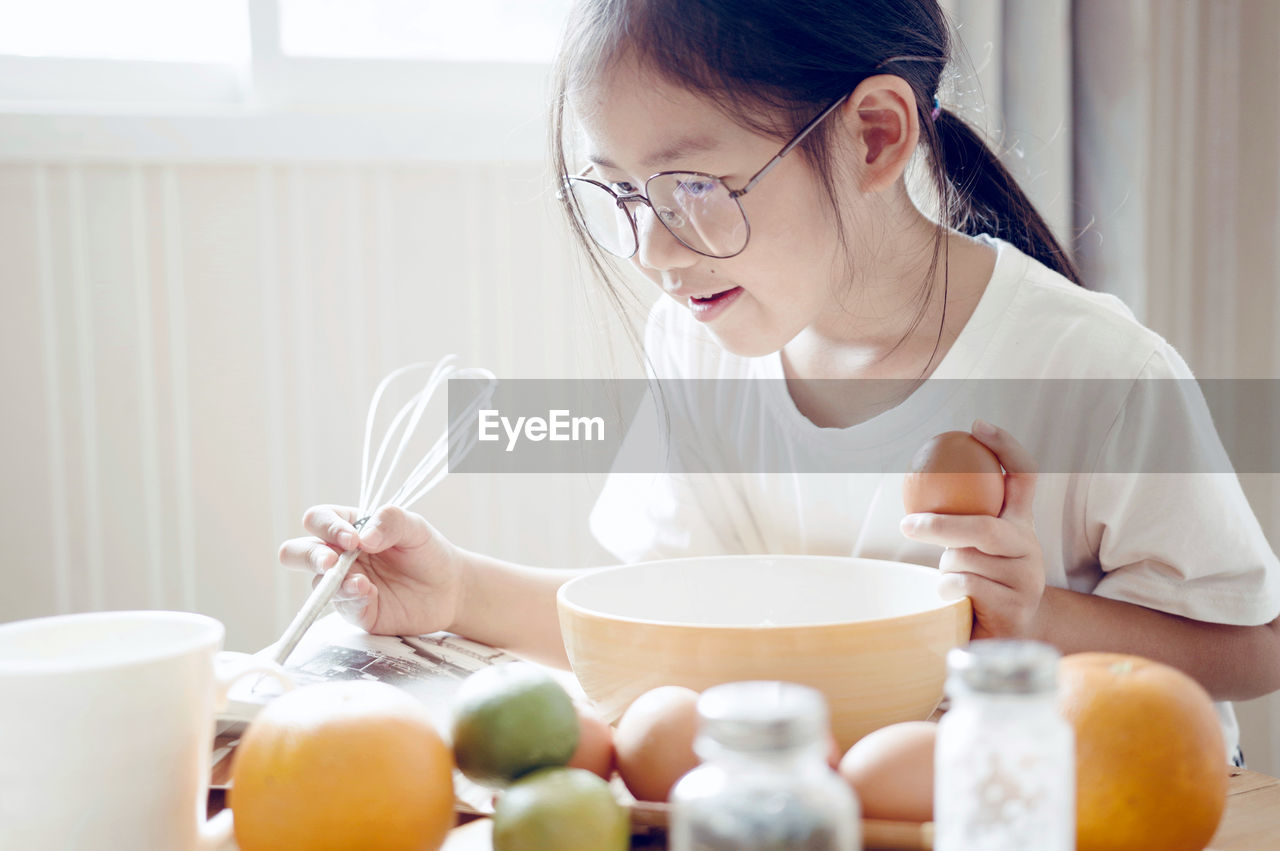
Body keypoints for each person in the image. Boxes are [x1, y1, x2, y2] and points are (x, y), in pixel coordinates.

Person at [278, 0, 1280, 761]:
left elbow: (1252, 650)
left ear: (875, 137)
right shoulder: (698, 344)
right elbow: (663, 622)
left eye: (696, 190)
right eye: (621, 194)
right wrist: (455, 587)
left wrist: (1037, 619)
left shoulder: (1091, 370)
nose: (655, 252)